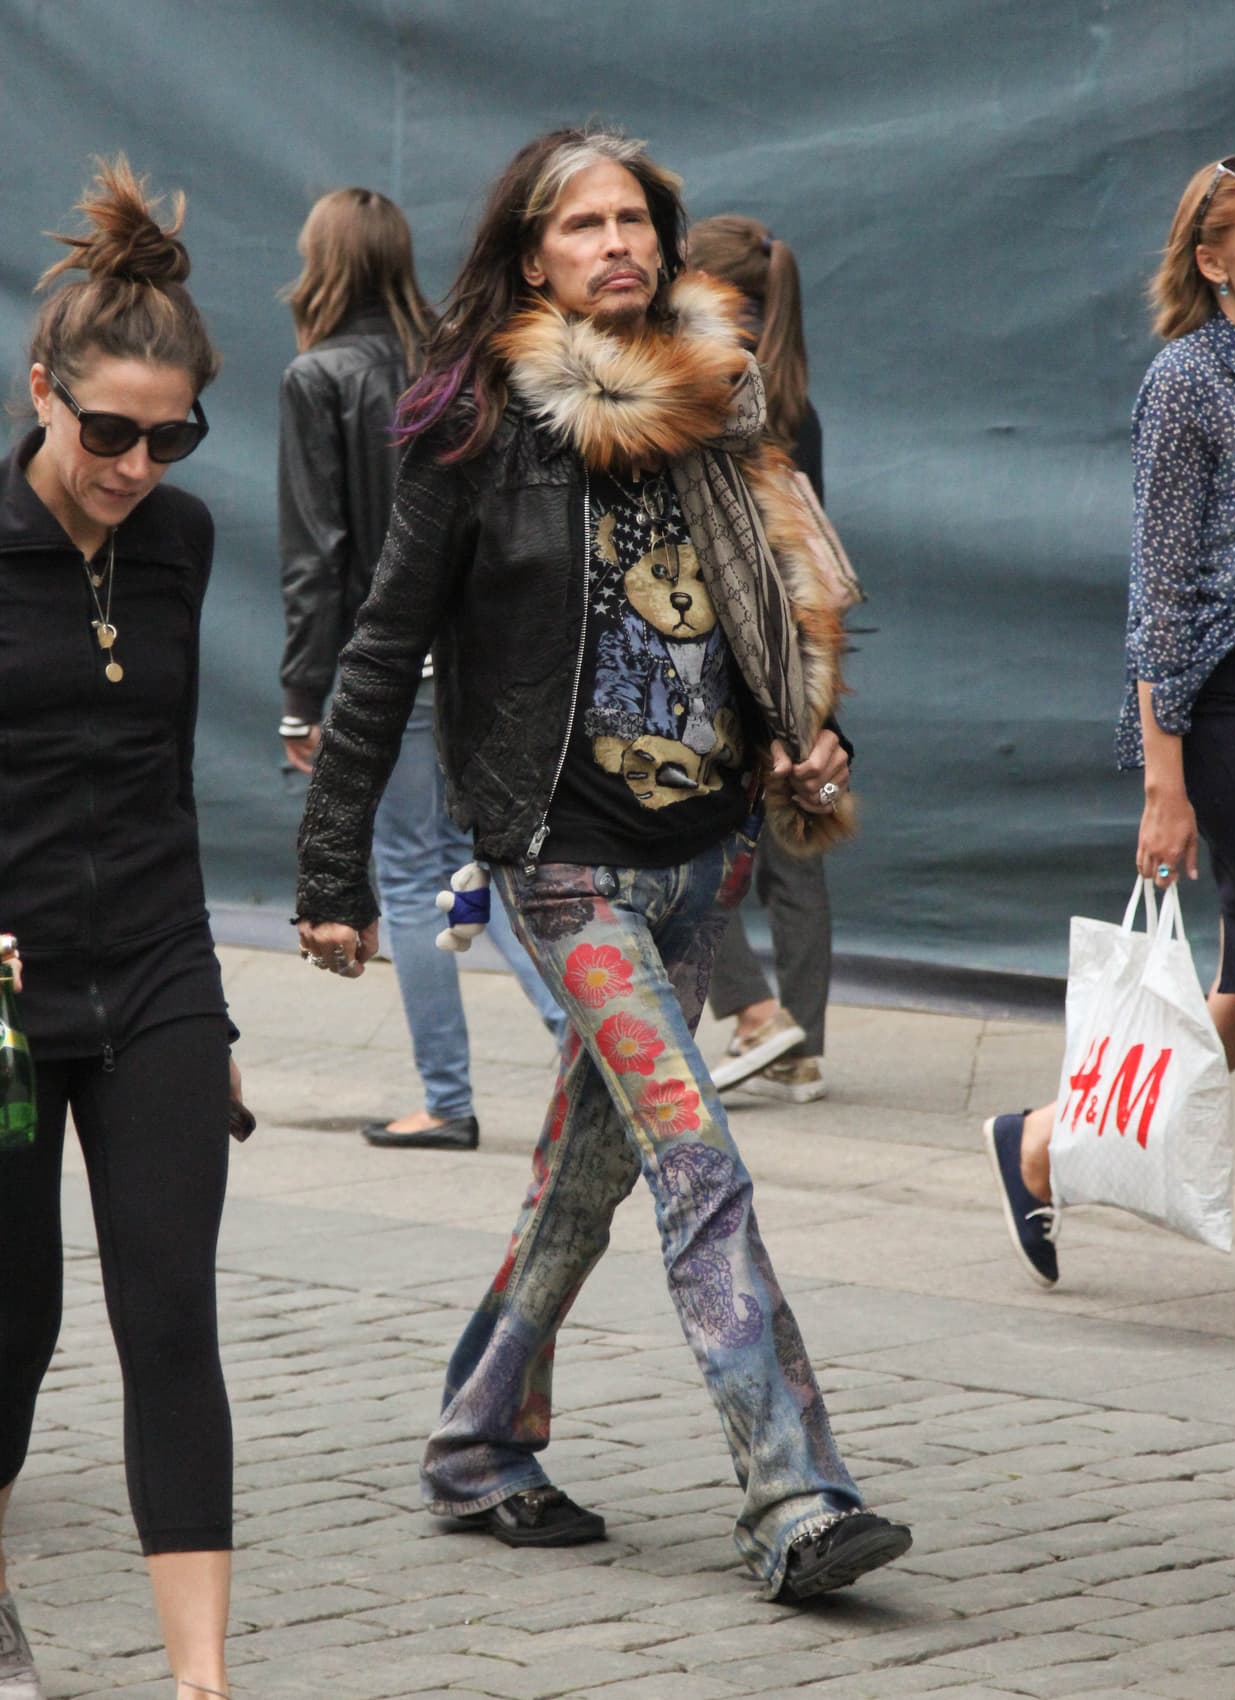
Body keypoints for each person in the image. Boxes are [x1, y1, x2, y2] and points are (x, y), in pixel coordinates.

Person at [294, 127, 912, 1603]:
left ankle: (473, 1444)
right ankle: (795, 1496)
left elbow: (776, 603)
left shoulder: (718, 403)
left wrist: (810, 746)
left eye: (635, 217)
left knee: (588, 1177)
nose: (617, 241)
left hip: (702, 861)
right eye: (584, 224)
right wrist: (329, 872)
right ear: (532, 256)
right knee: (697, 1157)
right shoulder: (471, 425)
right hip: (560, 859)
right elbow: (384, 644)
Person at [0, 159, 239, 1700]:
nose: (137, 465)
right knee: (9, 1333)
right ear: (42, 393)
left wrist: (211, 1007)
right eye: (108, 433)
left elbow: (164, 775)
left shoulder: (182, 542)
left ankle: (202, 1686)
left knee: (171, 1313)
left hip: (153, 964)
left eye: (171, 437)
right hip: (3, 996)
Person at [986, 154, 1235, 1293]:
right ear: (1212, 262)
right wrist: (1162, 777)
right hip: (1224, 697)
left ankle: (1044, 1142)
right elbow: (1155, 590)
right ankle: (1045, 1141)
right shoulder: (1184, 382)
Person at [277, 187, 565, 1153]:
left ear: (323, 263)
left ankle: (448, 1099)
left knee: (412, 879)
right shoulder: (451, 366)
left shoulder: (319, 376)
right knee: (486, 872)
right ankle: (597, 1050)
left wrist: (298, 702)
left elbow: (319, 554)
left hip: (393, 663)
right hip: (479, 663)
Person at [687, 214, 839, 1104]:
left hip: (717, 641)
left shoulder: (706, 392)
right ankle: (803, 1045)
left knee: (693, 836)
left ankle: (751, 1012)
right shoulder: (796, 406)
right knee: (798, 837)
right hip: (799, 638)